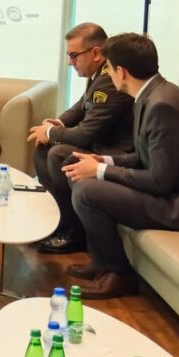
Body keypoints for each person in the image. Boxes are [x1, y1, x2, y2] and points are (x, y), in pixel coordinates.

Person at [60, 33, 179, 299]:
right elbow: (144, 155)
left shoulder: (163, 105)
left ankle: (120, 275)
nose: (108, 75)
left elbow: (160, 180)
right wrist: (103, 161)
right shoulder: (151, 95)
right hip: (174, 190)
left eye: (109, 68)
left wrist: (100, 171)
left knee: (87, 191)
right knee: (78, 169)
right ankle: (103, 262)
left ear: (122, 72)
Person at [28, 22, 134, 252]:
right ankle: (58, 221)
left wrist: (50, 133)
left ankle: (74, 231)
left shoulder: (109, 79)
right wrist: (58, 123)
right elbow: (82, 105)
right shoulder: (100, 73)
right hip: (101, 143)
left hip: (116, 152)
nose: (70, 62)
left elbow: (86, 135)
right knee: (43, 150)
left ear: (95, 53)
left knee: (58, 153)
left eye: (74, 56)